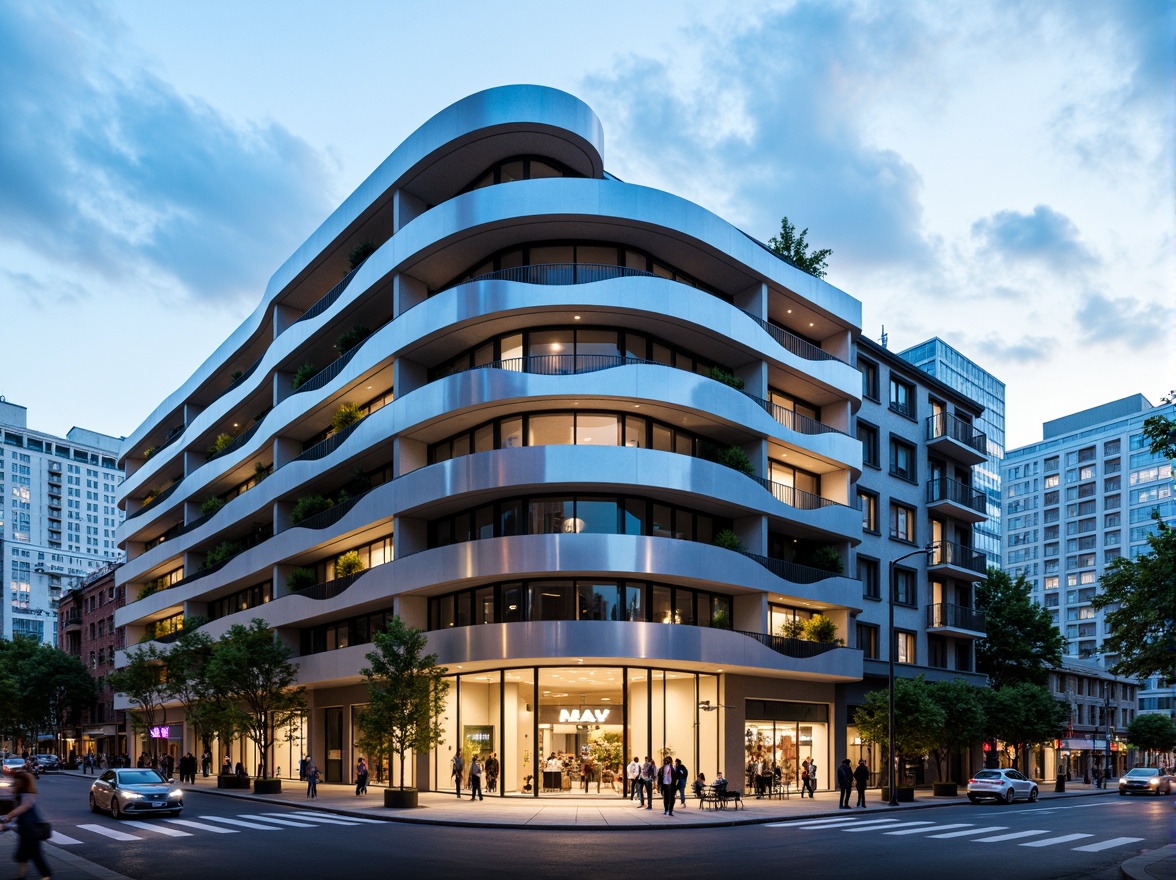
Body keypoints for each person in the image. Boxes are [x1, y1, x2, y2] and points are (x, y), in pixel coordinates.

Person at [0, 764, 52, 880]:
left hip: (31, 827)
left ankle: (46, 876)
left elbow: (23, 808)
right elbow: (16, 812)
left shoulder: (28, 794)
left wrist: (7, 818)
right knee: (22, 854)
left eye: (17, 780)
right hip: (25, 827)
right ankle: (21, 876)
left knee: (35, 853)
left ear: (23, 782)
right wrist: (7, 824)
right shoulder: (19, 793)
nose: (15, 782)